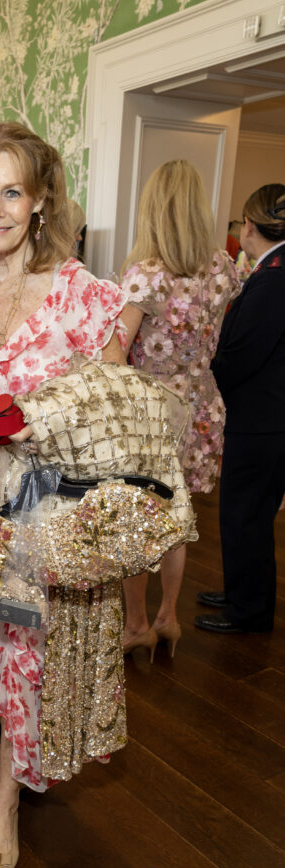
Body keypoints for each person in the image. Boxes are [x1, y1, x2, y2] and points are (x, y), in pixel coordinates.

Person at [0, 121, 134, 868]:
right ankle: (12, 764)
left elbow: (114, 414)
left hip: (44, 518)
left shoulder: (85, 298)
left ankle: (9, 798)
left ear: (41, 200)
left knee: (24, 649)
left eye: (13, 191)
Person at [119, 159, 240, 659]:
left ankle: (137, 624)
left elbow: (114, 350)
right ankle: (169, 617)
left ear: (153, 209)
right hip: (202, 405)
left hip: (151, 412)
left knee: (135, 521)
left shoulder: (146, 275)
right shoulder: (223, 267)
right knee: (177, 520)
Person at [196, 183, 285, 635]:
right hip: (268, 418)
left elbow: (245, 352)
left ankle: (248, 610)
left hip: (261, 421)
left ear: (249, 225)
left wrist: (208, 376)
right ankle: (241, 593)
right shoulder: (272, 268)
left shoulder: (273, 277)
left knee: (245, 515)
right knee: (246, 514)